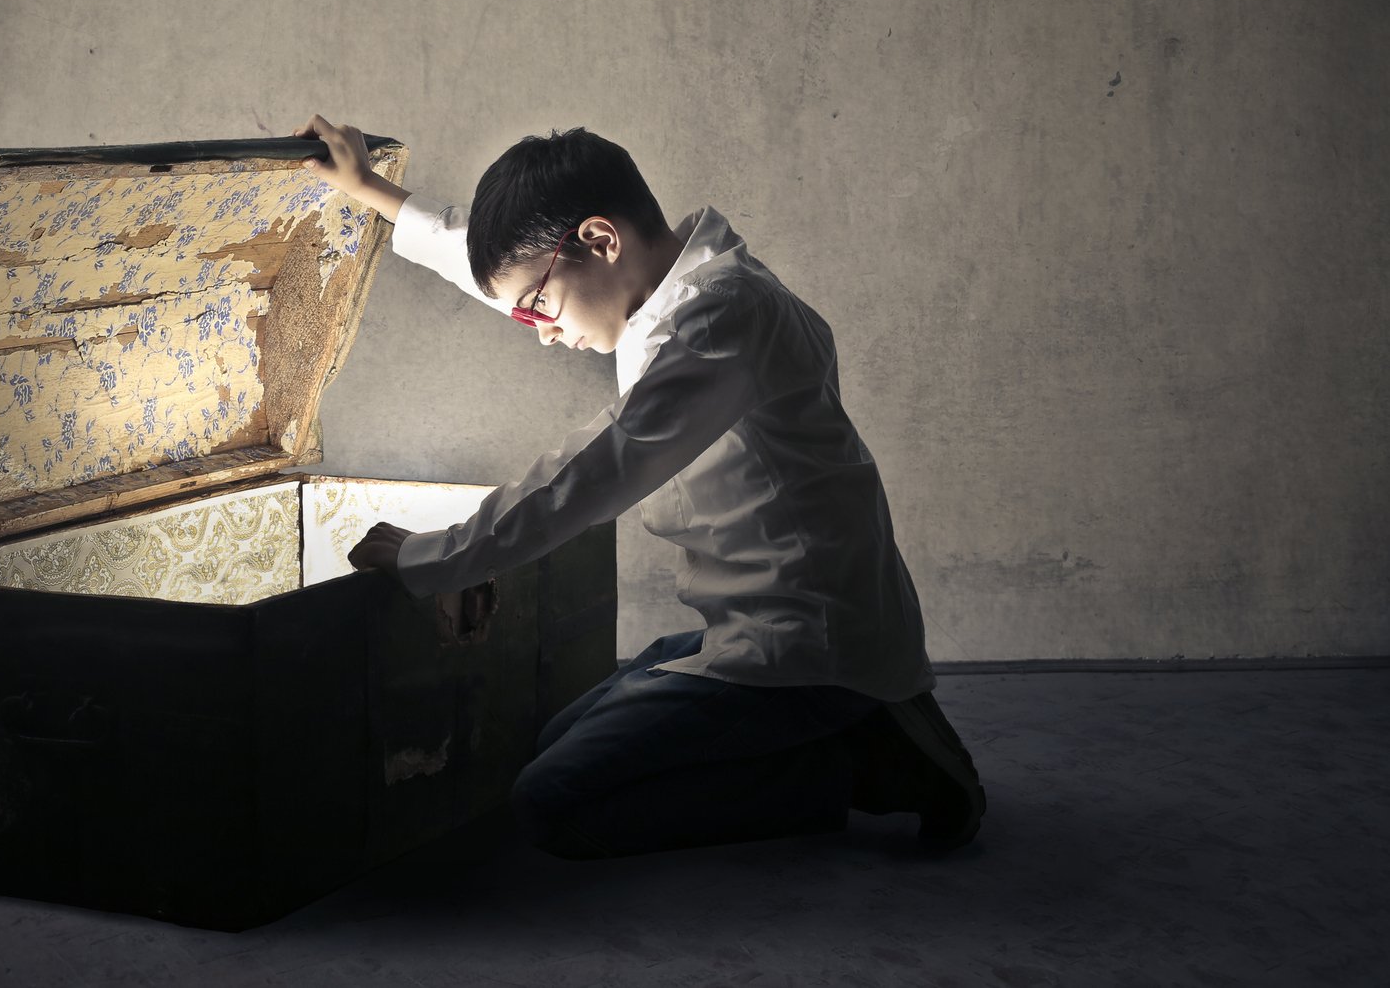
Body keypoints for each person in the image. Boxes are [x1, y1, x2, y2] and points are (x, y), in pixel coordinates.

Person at [292, 113, 986, 859]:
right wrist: (372, 190)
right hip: (755, 621)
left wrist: (444, 555)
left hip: (810, 644)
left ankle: (858, 762)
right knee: (558, 740)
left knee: (552, 803)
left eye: (537, 307)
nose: (539, 331)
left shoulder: (720, 323)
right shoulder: (666, 297)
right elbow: (491, 260)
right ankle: (834, 721)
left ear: (599, 239)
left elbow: (595, 471)